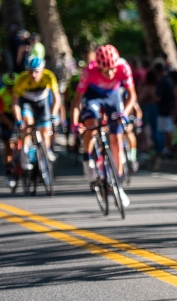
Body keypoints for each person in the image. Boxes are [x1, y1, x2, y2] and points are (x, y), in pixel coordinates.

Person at [70, 45, 136, 205]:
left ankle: (118, 185)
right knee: (91, 124)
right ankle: (87, 160)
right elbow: (77, 100)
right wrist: (74, 124)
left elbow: (132, 95)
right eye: (105, 71)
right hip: (93, 96)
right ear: (98, 66)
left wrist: (124, 114)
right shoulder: (89, 71)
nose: (111, 73)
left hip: (113, 95)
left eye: (112, 69)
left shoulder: (123, 67)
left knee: (117, 141)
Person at [12, 57, 61, 174]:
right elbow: (14, 103)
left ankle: (46, 151)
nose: (33, 75)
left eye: (36, 71)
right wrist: (18, 120)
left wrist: (53, 114)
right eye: (30, 71)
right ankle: (25, 153)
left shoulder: (49, 76)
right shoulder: (21, 79)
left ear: (42, 70)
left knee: (46, 129)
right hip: (27, 102)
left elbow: (56, 98)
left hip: (41, 102)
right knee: (27, 123)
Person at [153, 62, 175, 157]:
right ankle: (167, 149)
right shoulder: (168, 80)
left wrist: (152, 98)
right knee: (166, 130)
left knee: (166, 131)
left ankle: (168, 150)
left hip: (164, 110)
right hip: (168, 108)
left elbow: (159, 97)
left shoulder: (162, 82)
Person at [1, 73, 18, 187]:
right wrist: (9, 123)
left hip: (18, 115)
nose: (11, 89)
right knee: (8, 143)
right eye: (9, 87)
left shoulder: (21, 92)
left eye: (13, 87)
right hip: (6, 117)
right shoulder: (1, 94)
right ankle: (9, 170)